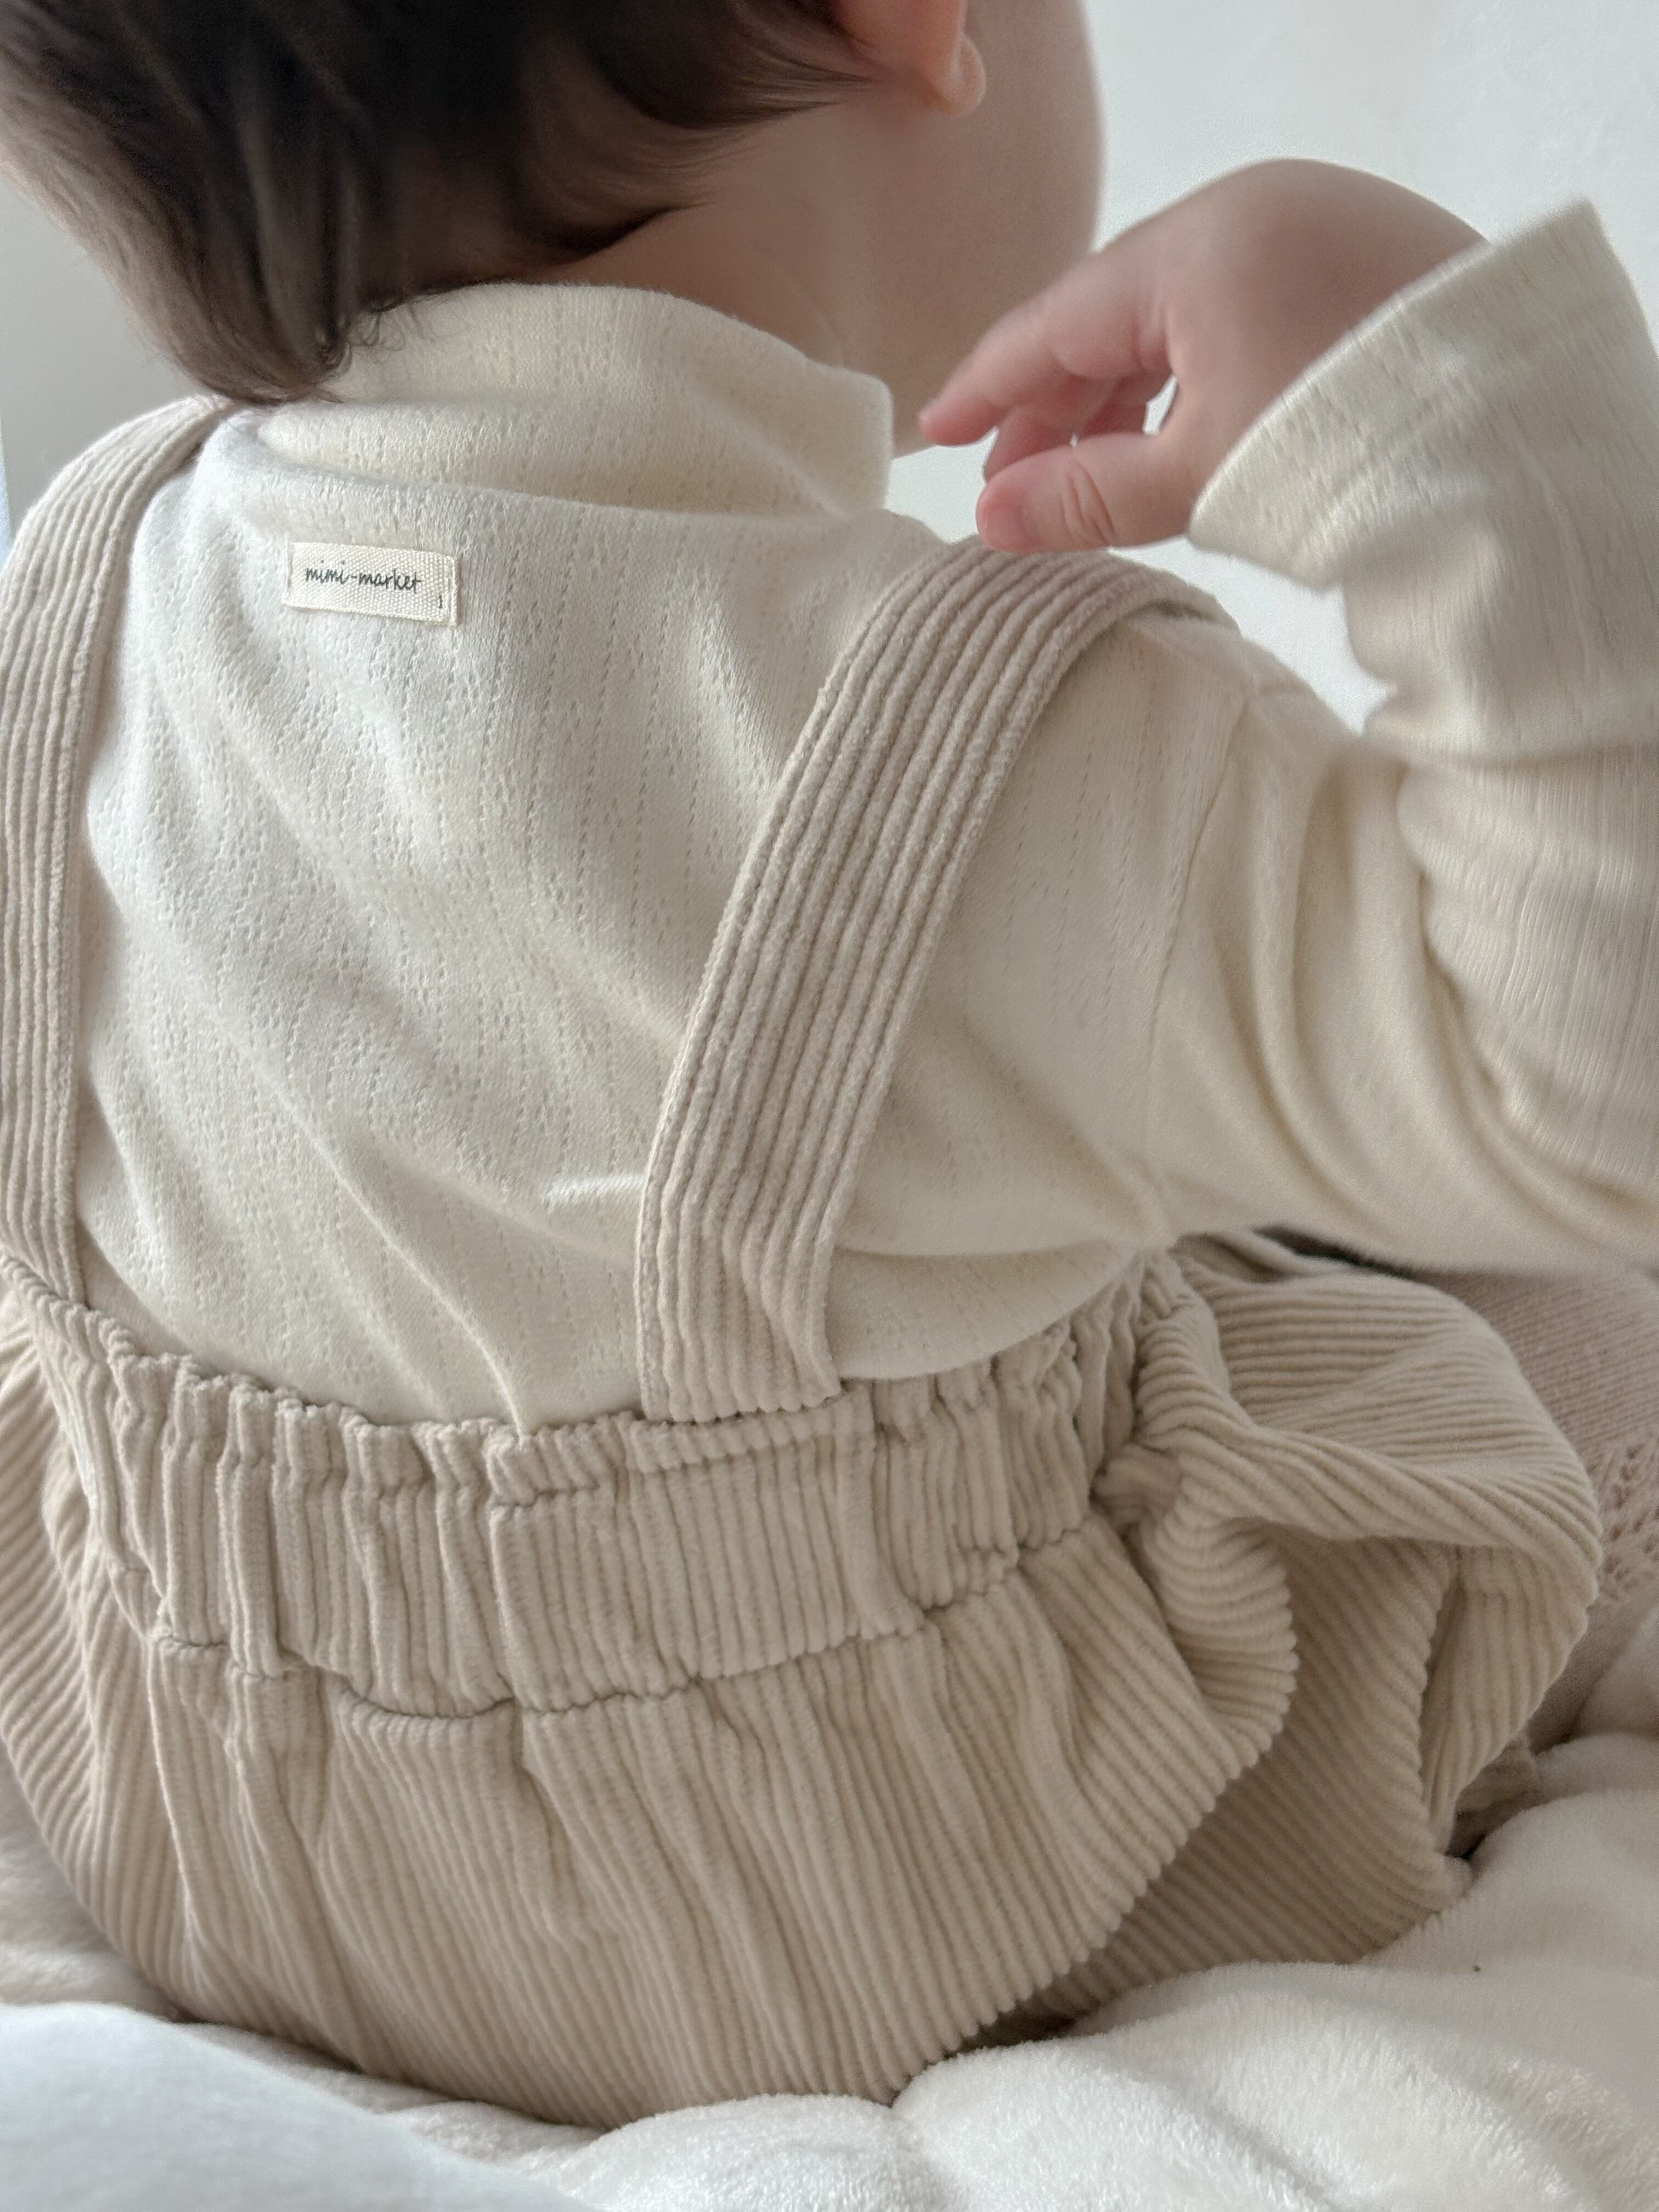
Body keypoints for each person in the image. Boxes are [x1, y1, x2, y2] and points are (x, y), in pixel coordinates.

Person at [0, 0, 1656, 2131]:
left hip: (238, 1850)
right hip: (892, 1912)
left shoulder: (72, 598)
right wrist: (1447, 399)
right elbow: (1595, 1085)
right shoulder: (1010, 759)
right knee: (1547, 1330)